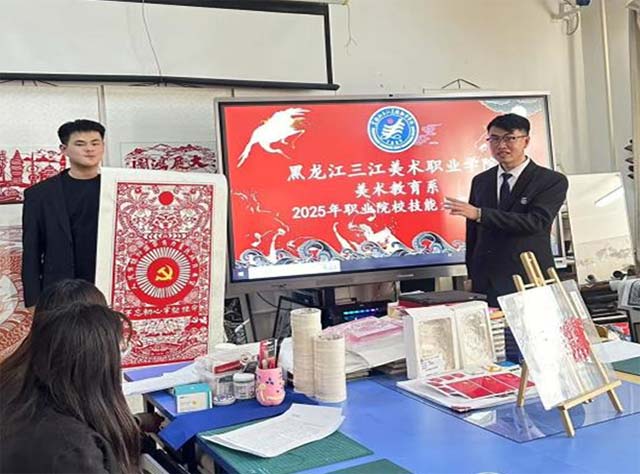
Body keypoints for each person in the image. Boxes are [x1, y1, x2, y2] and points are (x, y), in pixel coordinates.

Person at [0, 303, 141, 473]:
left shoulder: (21, 400)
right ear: (95, 367)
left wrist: (137, 423)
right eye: (119, 352)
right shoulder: (72, 452)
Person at [445, 113, 568, 307]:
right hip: (486, 280)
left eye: (510, 138)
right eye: (494, 139)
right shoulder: (481, 181)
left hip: (528, 276)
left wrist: (481, 214)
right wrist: (471, 276)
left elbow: (536, 222)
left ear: (526, 141)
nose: (501, 145)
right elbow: (473, 234)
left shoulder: (550, 180)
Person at [21, 119, 105, 308]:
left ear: (103, 147)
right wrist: (33, 301)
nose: (89, 149)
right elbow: (32, 250)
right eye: (80, 144)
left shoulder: (119, 188)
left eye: (95, 143)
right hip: (61, 289)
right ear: (64, 149)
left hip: (108, 283)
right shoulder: (39, 194)